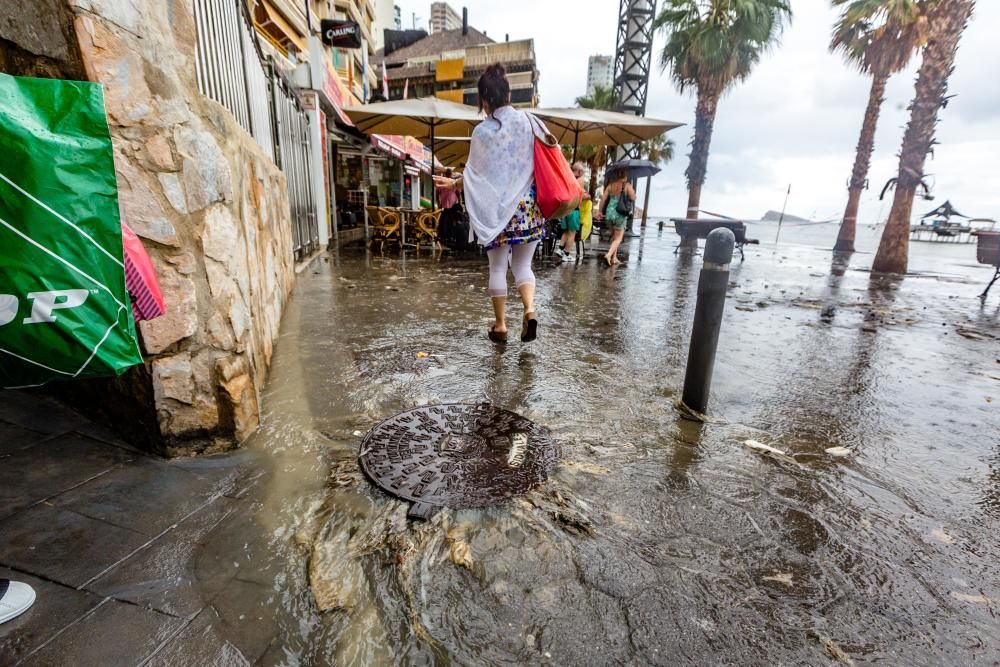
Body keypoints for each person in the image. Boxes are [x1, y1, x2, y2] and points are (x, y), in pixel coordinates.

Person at [433, 64, 544, 344]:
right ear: (508, 93)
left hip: (496, 212)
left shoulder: (482, 132)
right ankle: (529, 310)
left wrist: (455, 184)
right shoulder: (530, 122)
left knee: (497, 268)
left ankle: (501, 325)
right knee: (523, 266)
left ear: (484, 100)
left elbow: (475, 177)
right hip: (528, 208)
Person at [596, 168, 636, 266]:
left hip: (609, 214)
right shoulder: (627, 185)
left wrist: (600, 212)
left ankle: (614, 258)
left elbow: (603, 199)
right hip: (620, 214)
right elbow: (633, 197)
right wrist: (631, 191)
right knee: (618, 238)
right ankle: (608, 255)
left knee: (614, 237)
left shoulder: (610, 185)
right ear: (626, 175)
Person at [556, 162, 590, 261]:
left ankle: (560, 249)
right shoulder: (580, 180)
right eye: (583, 172)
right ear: (579, 172)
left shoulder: (567, 178)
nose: (583, 174)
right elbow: (579, 195)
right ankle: (566, 254)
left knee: (566, 231)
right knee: (572, 233)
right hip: (574, 210)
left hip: (565, 210)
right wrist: (587, 196)